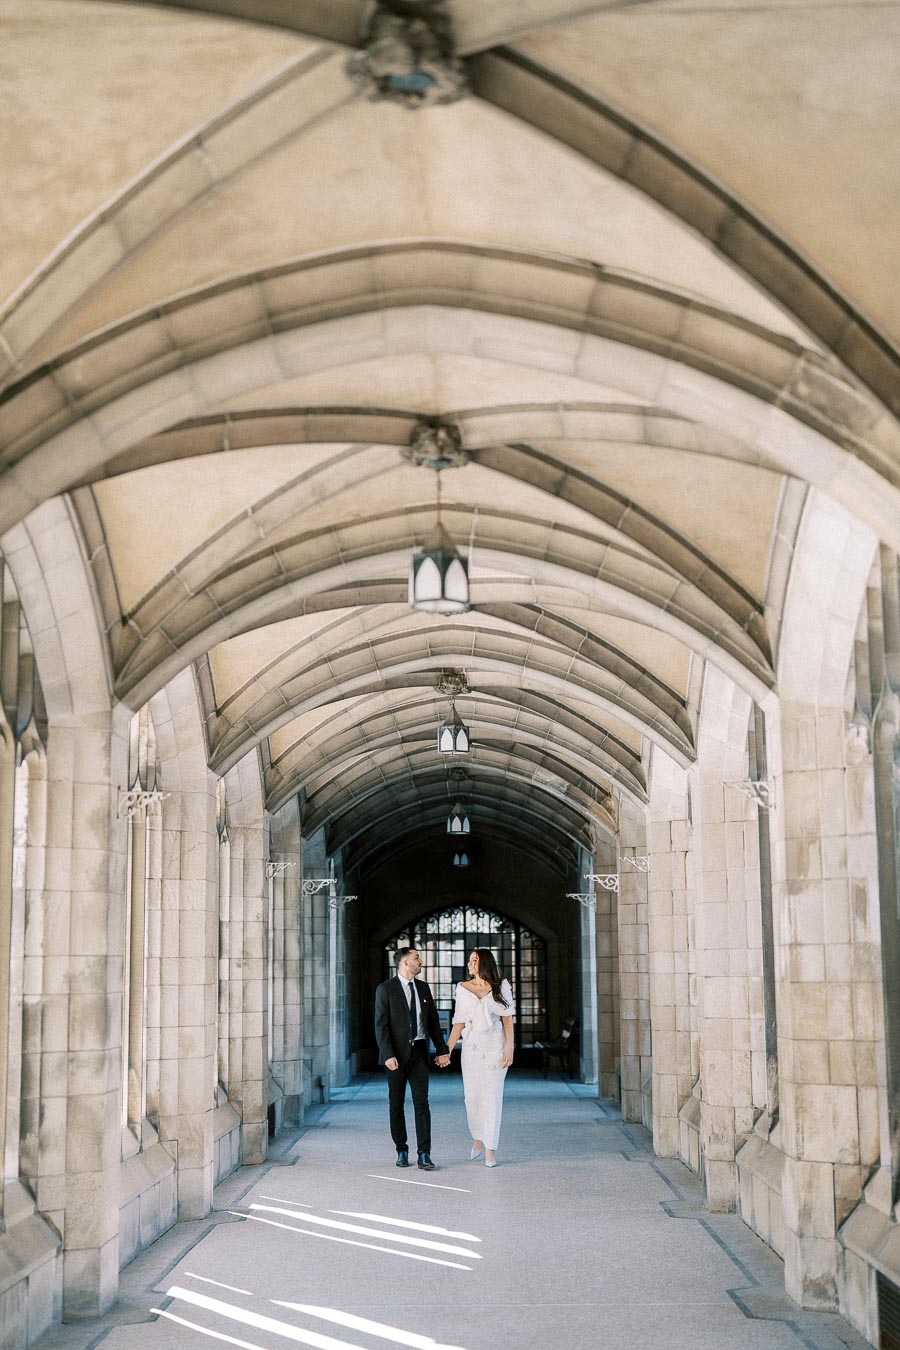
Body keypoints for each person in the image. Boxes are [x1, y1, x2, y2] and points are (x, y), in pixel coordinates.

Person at [374, 946, 450, 1170]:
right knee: (396, 1104)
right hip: (395, 1056)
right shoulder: (385, 989)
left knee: (422, 1103)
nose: (421, 961)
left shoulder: (424, 989)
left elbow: (433, 1022)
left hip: (419, 1053)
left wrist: (442, 1049)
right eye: (417, 957)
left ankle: (424, 1153)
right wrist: (387, 1054)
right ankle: (401, 1149)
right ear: (405, 962)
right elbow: (381, 1025)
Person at [446, 948, 514, 1167]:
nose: (469, 964)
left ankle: (490, 1150)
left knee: (492, 1098)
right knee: (472, 1097)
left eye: (474, 960)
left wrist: (510, 1049)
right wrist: (446, 1050)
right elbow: (459, 1022)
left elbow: (507, 1021)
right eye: (469, 960)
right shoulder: (463, 988)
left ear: (484, 962)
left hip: (495, 1048)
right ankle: (478, 1137)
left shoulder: (501, 986)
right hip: (472, 1049)